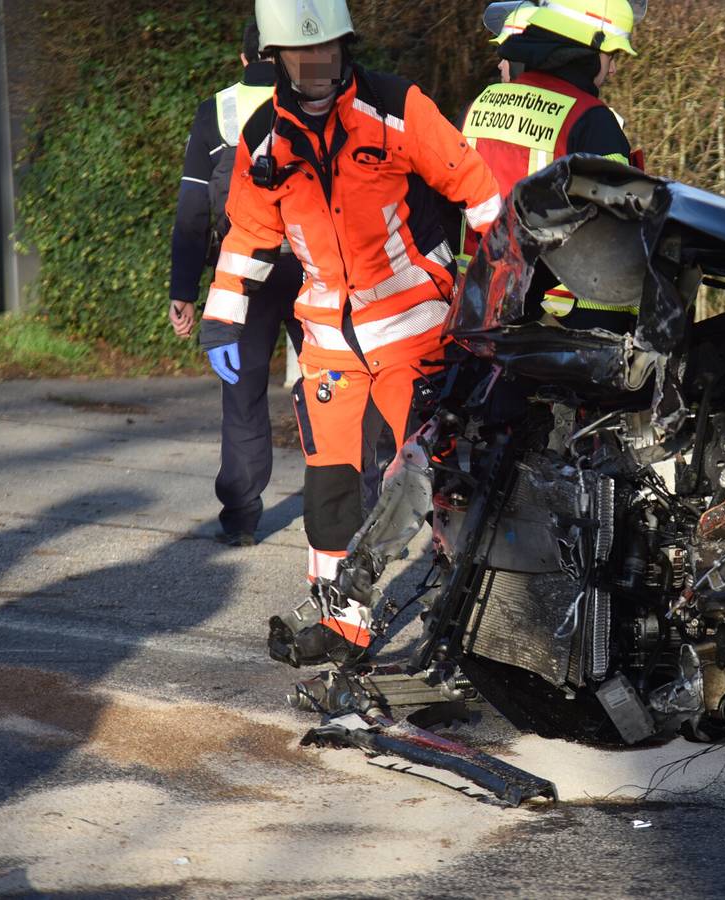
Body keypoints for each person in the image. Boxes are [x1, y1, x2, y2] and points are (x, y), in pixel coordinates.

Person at [199, 0, 501, 627]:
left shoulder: (396, 107)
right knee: (330, 490)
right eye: (303, 54)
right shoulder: (263, 138)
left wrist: (496, 293)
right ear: (276, 59)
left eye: (328, 50)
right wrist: (223, 317)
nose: (317, 64)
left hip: (413, 326)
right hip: (328, 339)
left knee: (438, 477)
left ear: (346, 46)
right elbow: (248, 234)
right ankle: (341, 626)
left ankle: (470, 621)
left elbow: (478, 191)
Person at [169, 21, 304, 547]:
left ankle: (243, 517)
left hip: (243, 270)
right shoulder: (319, 100)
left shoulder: (217, 111)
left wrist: (183, 290)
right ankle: (348, 507)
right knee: (334, 386)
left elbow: (192, 211)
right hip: (313, 264)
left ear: (245, 59)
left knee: (243, 392)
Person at [461, 0, 645, 328]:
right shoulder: (592, 121)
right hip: (563, 328)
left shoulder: (477, 107)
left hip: (473, 314)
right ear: (588, 51)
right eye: (611, 56)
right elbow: (617, 242)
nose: (613, 70)